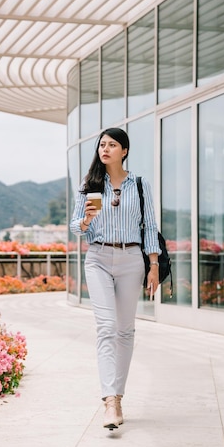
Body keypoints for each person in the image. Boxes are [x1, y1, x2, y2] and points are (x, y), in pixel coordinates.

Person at [70, 127, 161, 430]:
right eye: (101, 145)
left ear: (124, 150)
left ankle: (117, 396)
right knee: (106, 327)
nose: (104, 149)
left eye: (111, 145)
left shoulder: (139, 184)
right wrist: (85, 220)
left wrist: (154, 264)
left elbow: (149, 225)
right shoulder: (90, 185)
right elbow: (76, 227)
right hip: (98, 258)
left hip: (132, 259)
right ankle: (110, 400)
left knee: (125, 331)